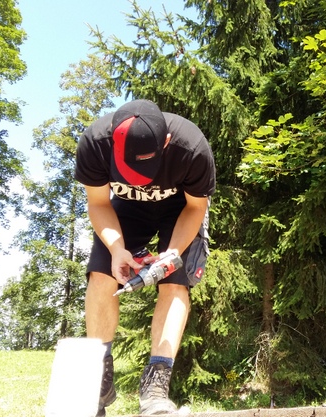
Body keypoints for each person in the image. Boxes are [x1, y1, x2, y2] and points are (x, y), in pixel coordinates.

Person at [74, 99, 216, 416]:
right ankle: (97, 379)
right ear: (112, 142)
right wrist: (117, 249)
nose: (140, 177)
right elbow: (98, 203)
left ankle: (155, 389)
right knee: (101, 274)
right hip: (125, 208)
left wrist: (172, 254)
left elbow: (196, 207)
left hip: (180, 209)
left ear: (165, 142)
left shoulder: (191, 147)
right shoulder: (95, 143)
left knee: (174, 282)